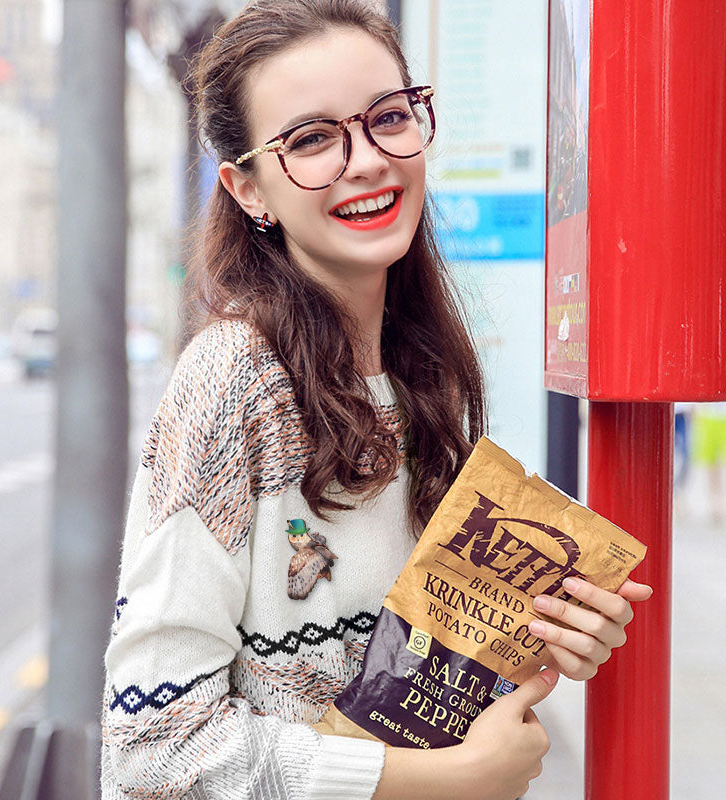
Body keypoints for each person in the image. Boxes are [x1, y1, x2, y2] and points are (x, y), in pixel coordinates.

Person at [100, 2, 652, 798]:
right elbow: (151, 752)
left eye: (387, 117)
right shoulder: (232, 379)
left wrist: (541, 642)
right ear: (248, 188)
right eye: (312, 139)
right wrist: (450, 778)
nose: (366, 160)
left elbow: (401, 678)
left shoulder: (424, 371)